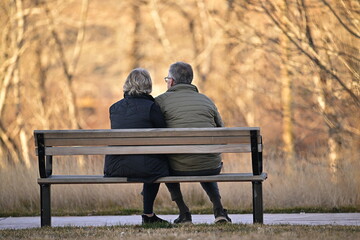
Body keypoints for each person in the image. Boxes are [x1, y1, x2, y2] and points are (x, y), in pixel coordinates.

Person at [156, 62, 232, 224]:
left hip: (177, 167)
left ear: (172, 81)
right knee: (204, 157)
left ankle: (184, 213)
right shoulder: (206, 100)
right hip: (210, 165)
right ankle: (219, 211)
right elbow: (222, 132)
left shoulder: (160, 101)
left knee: (164, 163)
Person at [104, 68, 169, 224]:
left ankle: (149, 215)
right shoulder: (152, 107)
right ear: (148, 85)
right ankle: (149, 215)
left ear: (127, 84)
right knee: (158, 163)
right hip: (146, 167)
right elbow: (164, 135)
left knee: (148, 160)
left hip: (115, 166)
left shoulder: (114, 108)